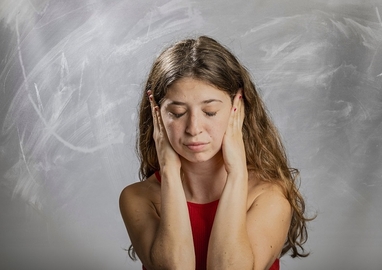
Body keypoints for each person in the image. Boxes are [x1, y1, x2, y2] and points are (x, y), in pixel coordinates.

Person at [119, 36, 312, 270]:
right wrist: (169, 172)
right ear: (157, 115)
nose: (194, 128)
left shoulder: (269, 194)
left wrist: (237, 173)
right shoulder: (137, 198)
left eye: (210, 112)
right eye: (178, 113)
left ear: (237, 109)